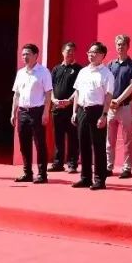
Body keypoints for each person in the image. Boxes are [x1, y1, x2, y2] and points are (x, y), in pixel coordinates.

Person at [71, 42, 115, 190]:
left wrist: (104, 115)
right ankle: (85, 178)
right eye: (89, 52)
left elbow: (108, 96)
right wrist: (74, 112)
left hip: (97, 111)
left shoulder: (106, 74)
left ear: (102, 55)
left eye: (94, 52)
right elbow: (77, 92)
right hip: (82, 110)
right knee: (83, 145)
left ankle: (99, 179)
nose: (91, 55)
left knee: (98, 146)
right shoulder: (83, 72)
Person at [11, 43, 53, 184]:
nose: (25, 57)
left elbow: (48, 94)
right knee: (24, 144)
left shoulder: (43, 72)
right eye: (23, 54)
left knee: (40, 143)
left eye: (28, 54)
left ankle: (42, 174)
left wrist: (46, 112)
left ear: (36, 55)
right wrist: (13, 113)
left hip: (37, 111)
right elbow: (16, 94)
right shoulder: (20, 73)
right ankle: (27, 172)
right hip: (23, 111)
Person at [106, 34, 132, 179]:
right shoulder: (110, 65)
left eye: (123, 44)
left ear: (128, 46)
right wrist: (109, 102)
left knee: (127, 138)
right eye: (118, 44)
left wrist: (118, 100)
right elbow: (107, 85)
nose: (120, 47)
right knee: (109, 139)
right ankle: (108, 166)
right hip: (110, 107)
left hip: (125, 106)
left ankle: (127, 168)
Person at [49, 42, 82, 175]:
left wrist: (69, 101)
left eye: (73, 51)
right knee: (58, 137)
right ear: (63, 52)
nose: (70, 53)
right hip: (57, 108)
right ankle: (58, 163)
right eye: (68, 51)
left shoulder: (79, 69)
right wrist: (53, 100)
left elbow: (79, 89)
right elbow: (50, 87)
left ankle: (72, 164)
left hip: (71, 109)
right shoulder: (56, 69)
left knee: (73, 137)